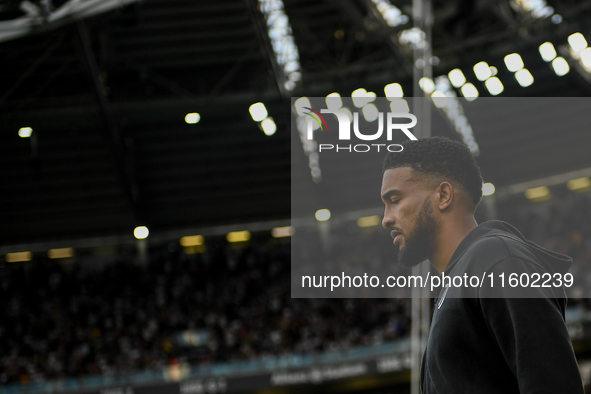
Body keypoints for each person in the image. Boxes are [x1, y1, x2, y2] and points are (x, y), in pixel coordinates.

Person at [380, 136, 583, 393]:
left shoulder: (498, 258)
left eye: (395, 200)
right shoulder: (459, 280)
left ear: (443, 195)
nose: (386, 219)